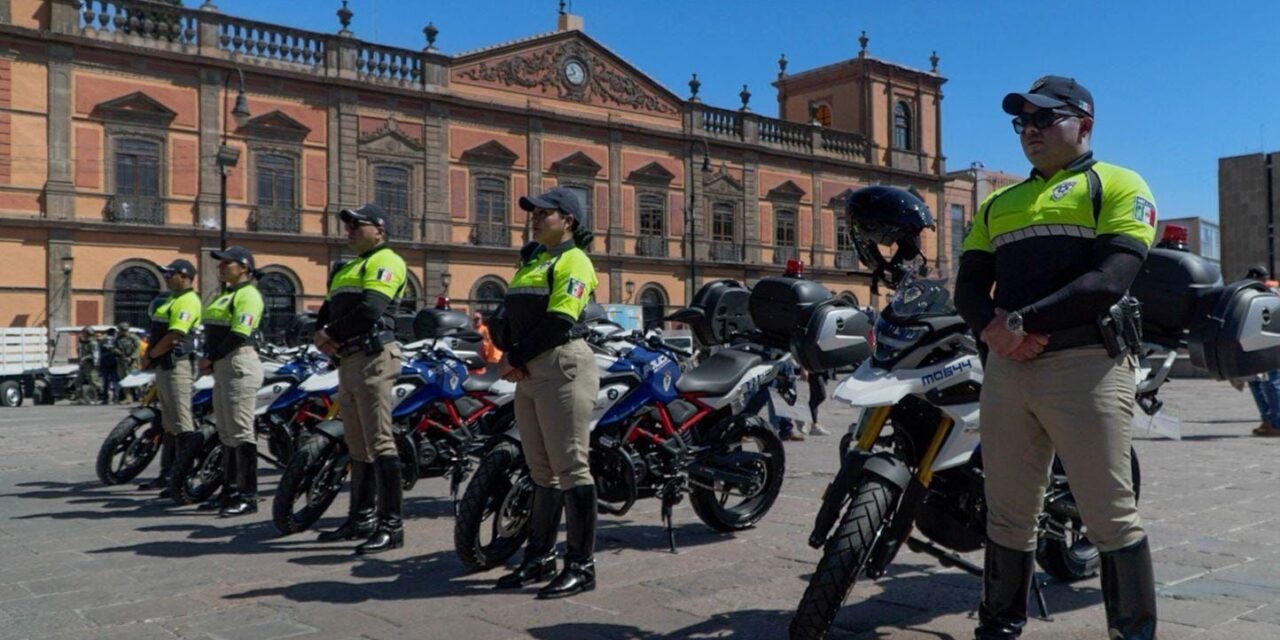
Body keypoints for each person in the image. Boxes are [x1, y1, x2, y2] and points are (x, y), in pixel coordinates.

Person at [954, 76, 1157, 639]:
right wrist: (994, 330)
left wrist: (1018, 323)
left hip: (1087, 364)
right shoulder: (997, 203)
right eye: (1022, 122)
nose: (1030, 130)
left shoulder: (1118, 184)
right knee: (1007, 513)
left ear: (1084, 124)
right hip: (1008, 369)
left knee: (1109, 515)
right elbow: (968, 285)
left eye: (1045, 118)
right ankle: (997, 629)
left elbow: (1110, 279)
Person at [493, 186, 601, 599]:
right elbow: (511, 316)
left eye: (543, 214)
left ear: (567, 220)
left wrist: (513, 356)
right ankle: (539, 558)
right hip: (530, 369)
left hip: (562, 365)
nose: (534, 220)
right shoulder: (535, 260)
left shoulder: (575, 260)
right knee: (540, 470)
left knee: (572, 467)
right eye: (533, 214)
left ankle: (581, 566)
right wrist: (510, 351)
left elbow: (559, 321)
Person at [313, 204, 408, 555]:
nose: (350, 230)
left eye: (358, 224)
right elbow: (326, 311)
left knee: (380, 441)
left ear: (379, 230)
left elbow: (370, 309)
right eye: (348, 225)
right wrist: (320, 333)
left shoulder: (386, 260)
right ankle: (361, 518)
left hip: (373, 358)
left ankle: (391, 526)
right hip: (349, 359)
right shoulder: (345, 268)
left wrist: (329, 334)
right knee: (357, 445)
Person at [197, 246, 266, 517]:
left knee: (241, 431)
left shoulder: (248, 295)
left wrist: (210, 358)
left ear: (244, 267)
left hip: (238, 362)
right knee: (226, 432)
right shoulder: (225, 295)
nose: (221, 267)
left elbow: (239, 333)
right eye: (220, 263)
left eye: (227, 263)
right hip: (223, 364)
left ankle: (248, 496)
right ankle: (229, 491)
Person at [137, 259, 202, 497]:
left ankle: (184, 476)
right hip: (164, 366)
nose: (165, 278)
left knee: (182, 422)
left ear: (184, 276)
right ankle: (167, 474)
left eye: (170, 274)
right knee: (169, 424)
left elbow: (175, 334)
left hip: (177, 366)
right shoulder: (170, 299)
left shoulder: (188, 300)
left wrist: (152, 354)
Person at [1235, 266, 1280, 437]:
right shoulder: (1269, 292)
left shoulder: (1261, 294)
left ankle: (1275, 423)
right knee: (1258, 382)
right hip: (1262, 342)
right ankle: (1268, 420)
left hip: (1265, 342)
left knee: (1270, 381)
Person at [114, 322, 142, 403]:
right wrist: (116, 351)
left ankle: (142, 396)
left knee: (135, 379)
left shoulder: (133, 338)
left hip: (132, 362)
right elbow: (114, 347)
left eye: (123, 330)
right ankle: (128, 398)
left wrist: (132, 357)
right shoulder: (118, 339)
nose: (122, 331)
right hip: (121, 362)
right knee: (124, 380)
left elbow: (138, 348)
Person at [74, 328, 102, 405]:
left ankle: (100, 397)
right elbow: (80, 352)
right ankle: (80, 399)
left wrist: (86, 358)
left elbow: (95, 354)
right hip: (83, 365)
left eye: (84, 333)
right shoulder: (84, 342)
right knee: (78, 381)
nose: (82, 334)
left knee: (94, 382)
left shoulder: (93, 343)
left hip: (91, 365)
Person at [99, 328, 119, 404]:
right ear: (114, 333)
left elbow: (98, 351)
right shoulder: (116, 340)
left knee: (105, 382)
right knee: (115, 381)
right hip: (114, 363)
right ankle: (116, 398)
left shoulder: (102, 340)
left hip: (104, 363)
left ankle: (105, 399)